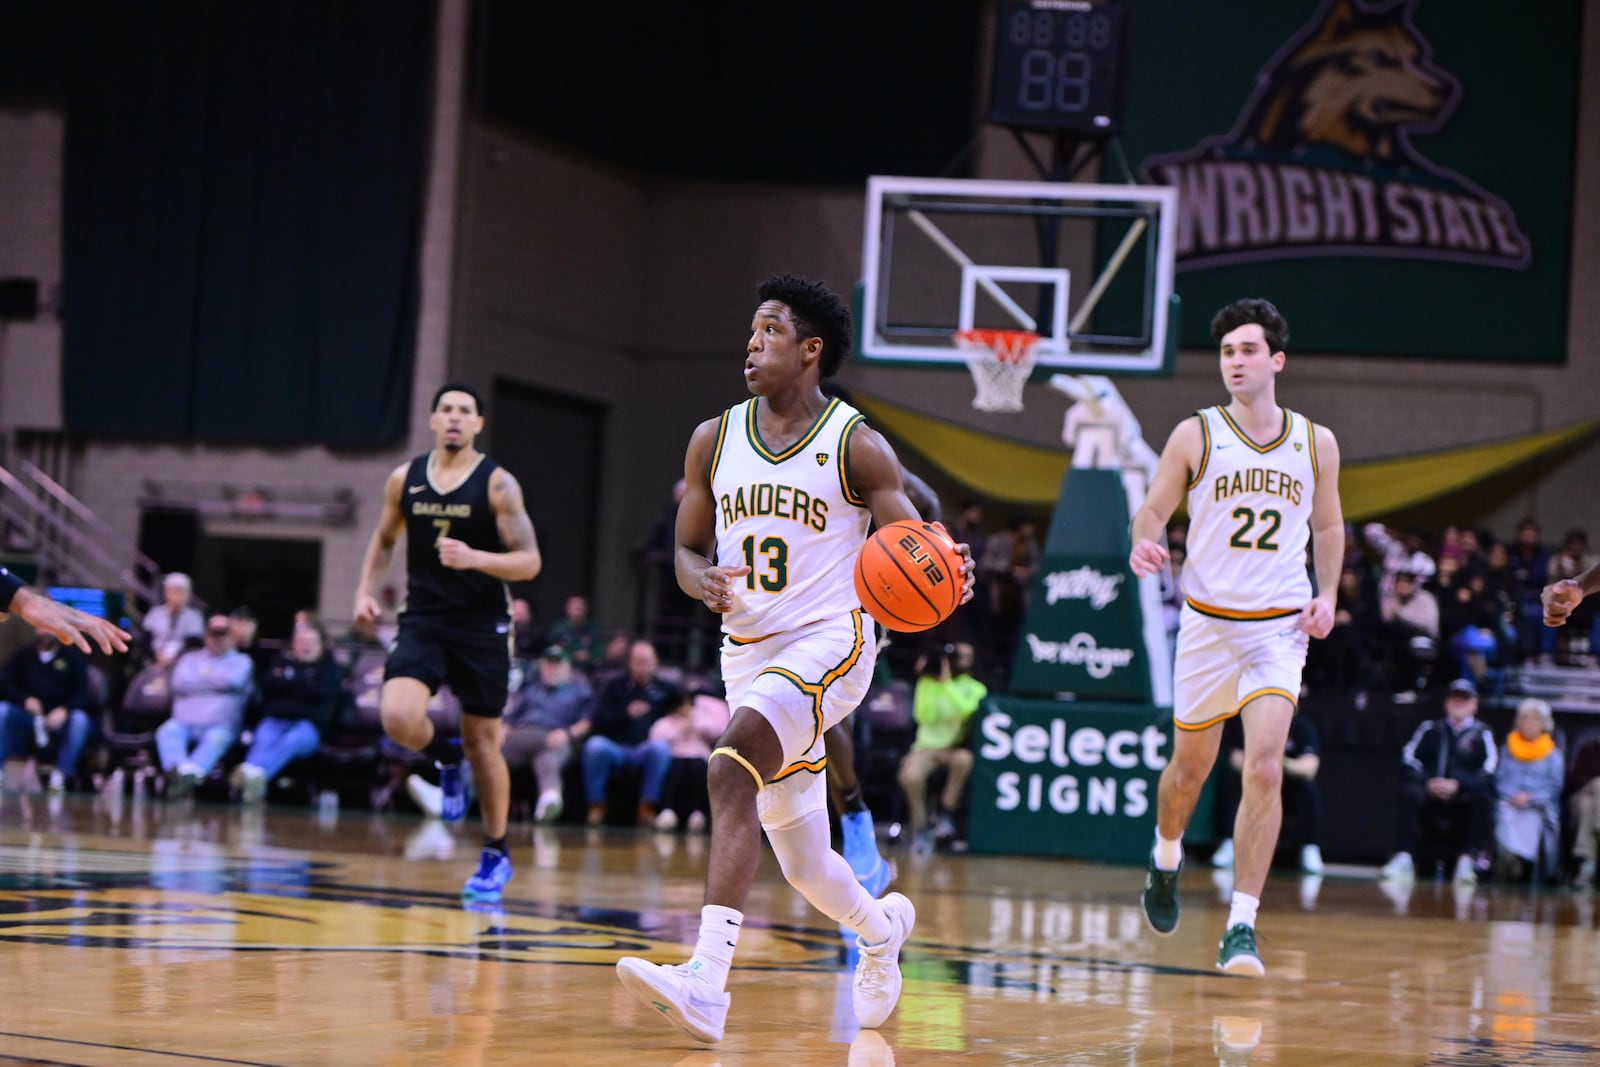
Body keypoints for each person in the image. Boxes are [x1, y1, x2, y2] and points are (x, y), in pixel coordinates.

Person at [615, 273, 974, 1043]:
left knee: (726, 764)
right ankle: (880, 929)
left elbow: (914, 545)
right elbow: (681, 546)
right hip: (746, 651)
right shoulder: (713, 437)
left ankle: (707, 980)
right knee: (805, 857)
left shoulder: (856, 443)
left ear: (811, 349)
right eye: (750, 330)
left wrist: (946, 567)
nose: (752, 342)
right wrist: (697, 576)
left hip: (831, 641)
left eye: (770, 330)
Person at [1128, 297, 1343, 977]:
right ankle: (1166, 857)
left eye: (1248, 350)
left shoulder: (1317, 441)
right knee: (1188, 772)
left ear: (1276, 360)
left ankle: (1241, 924)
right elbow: (1155, 506)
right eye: (1227, 352)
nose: (1236, 362)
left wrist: (1329, 592)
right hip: (1207, 626)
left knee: (1265, 765)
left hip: (1278, 627)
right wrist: (1145, 538)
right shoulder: (1196, 433)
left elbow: (1330, 527)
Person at [352, 382, 542, 902]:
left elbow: (529, 561)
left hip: (482, 626)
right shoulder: (404, 479)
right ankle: (443, 757)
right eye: (447, 410)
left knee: (485, 743)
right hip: (425, 619)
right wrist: (365, 591)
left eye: (465, 411)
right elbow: (385, 538)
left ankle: (496, 851)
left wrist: (476, 558)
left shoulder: (498, 484)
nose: (455, 418)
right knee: (396, 717)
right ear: (433, 420)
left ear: (478, 424)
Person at [1380, 677, 1498, 886]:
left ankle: (1468, 859)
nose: (1458, 704)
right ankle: (1403, 856)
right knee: (1409, 792)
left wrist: (1459, 785)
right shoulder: (1430, 729)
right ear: (1446, 703)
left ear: (1474, 705)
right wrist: (1428, 781)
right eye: (1454, 699)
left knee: (1483, 799)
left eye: (1464, 700)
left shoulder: (1483, 735)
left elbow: (1488, 771)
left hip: (1463, 795)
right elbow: (1409, 760)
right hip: (1430, 791)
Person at [230, 623, 345, 803]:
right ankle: (254, 790)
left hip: (308, 728)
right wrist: (301, 684)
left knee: (292, 740)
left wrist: (291, 682)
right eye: (301, 642)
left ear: (321, 644)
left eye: (310, 642)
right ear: (293, 645)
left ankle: (252, 774)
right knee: (264, 737)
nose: (305, 647)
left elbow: (319, 692)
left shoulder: (330, 669)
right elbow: (269, 685)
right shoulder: (281, 662)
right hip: (275, 720)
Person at [1209, 713, 1325, 875]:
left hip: (1287, 782)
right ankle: (1229, 844)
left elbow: (1310, 766)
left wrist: (1281, 765)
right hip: (1255, 779)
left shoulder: (1302, 727)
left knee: (1308, 788)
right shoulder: (1249, 722)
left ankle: (1310, 848)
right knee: (1230, 780)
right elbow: (1236, 759)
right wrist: (1261, 769)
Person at [580, 638, 678, 826]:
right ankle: (596, 807)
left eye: (646, 661)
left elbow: (682, 711)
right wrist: (626, 715)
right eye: (637, 661)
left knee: (660, 749)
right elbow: (598, 723)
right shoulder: (614, 686)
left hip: (645, 748)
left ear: (655, 661)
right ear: (629, 662)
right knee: (594, 746)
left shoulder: (666, 691)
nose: (641, 666)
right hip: (615, 748)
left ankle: (647, 808)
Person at [898, 642, 985, 854]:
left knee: (964, 759)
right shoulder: (928, 683)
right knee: (909, 775)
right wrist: (928, 680)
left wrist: (947, 684)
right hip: (925, 748)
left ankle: (945, 813)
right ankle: (920, 827)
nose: (957, 660)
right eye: (955, 655)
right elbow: (923, 716)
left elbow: (966, 711)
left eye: (963, 656)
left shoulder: (975, 687)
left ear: (971, 662)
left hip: (953, 748)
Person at [155, 614, 254, 797]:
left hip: (220, 725)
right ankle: (180, 773)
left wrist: (197, 681)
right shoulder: (189, 659)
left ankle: (189, 775)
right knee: (167, 731)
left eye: (223, 633)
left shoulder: (242, 662)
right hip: (184, 722)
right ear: (205, 635)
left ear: (232, 636)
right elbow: (178, 682)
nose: (217, 639)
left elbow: (233, 680)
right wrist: (217, 683)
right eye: (213, 633)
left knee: (216, 739)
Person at [0, 634, 93, 794]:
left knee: (80, 720)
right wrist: (25, 700)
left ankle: (61, 776)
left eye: (50, 627)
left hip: (60, 719)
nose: (45, 631)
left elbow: (83, 693)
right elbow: (6, 685)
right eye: (41, 626)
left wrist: (65, 709)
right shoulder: (23, 654)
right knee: (2, 710)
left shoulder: (72, 657)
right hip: (28, 717)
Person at [1493, 697, 1564, 882]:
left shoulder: (1553, 754)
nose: (1528, 723)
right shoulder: (1507, 749)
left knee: (1533, 818)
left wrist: (1530, 797)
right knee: (1503, 812)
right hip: (1509, 800)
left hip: (1538, 804)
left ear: (1544, 724)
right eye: (1524, 718)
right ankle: (1508, 859)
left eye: (1534, 719)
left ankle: (1523, 863)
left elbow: (1555, 785)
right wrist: (1512, 796)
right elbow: (1499, 778)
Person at [140, 572, 205, 666]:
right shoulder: (155, 613)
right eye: (174, 591)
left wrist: (175, 659)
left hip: (182, 665)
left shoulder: (194, 616)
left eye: (182, 592)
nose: (178, 597)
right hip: (154, 663)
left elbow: (193, 645)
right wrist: (156, 656)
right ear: (166, 593)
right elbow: (145, 641)